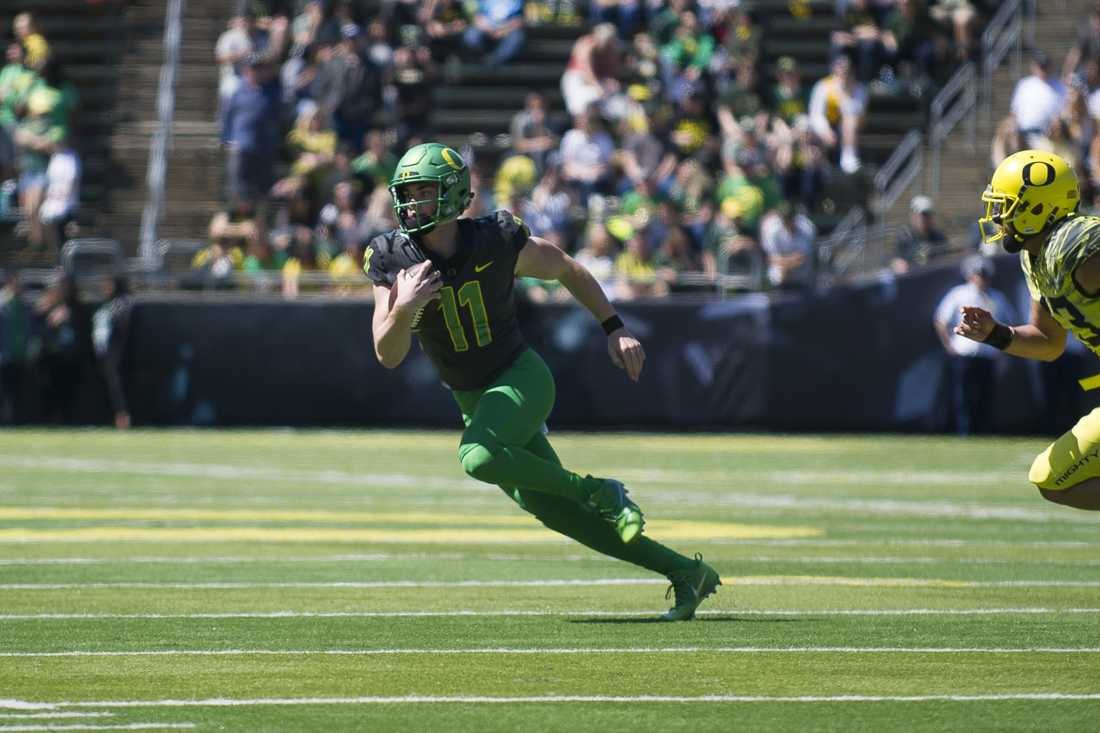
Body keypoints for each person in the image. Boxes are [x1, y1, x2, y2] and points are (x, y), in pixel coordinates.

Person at [365, 142, 721, 619]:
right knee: (561, 515)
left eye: (423, 192)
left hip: (520, 377)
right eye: (406, 193)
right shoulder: (392, 256)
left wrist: (613, 328)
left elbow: (567, 269)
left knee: (477, 457)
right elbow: (387, 355)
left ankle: (597, 489)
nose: (411, 204)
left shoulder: (493, 239)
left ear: (453, 197)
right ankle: (686, 573)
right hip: (474, 397)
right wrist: (405, 307)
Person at [956, 149, 1100, 509]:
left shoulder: (1075, 243)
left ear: (1036, 208)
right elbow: (1049, 342)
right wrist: (995, 334)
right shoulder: (1035, 257)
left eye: (1006, 205)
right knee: (1052, 478)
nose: (999, 216)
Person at [933, 256, 1015, 435]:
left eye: (985, 275)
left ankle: (983, 431)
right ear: (970, 275)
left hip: (988, 354)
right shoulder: (959, 293)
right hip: (964, 353)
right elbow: (941, 320)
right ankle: (964, 431)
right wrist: (949, 346)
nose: (981, 278)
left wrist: (1003, 351)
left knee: (986, 396)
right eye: (978, 274)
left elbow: (1010, 324)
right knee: (963, 395)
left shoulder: (997, 297)